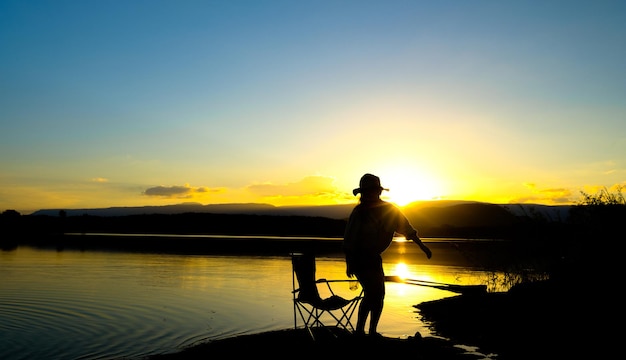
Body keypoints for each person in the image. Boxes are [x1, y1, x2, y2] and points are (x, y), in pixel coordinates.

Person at [343, 173, 432, 337]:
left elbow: (407, 229)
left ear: (378, 191)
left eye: (374, 190)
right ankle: (359, 331)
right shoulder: (359, 212)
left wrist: (423, 246)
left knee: (379, 295)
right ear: (363, 193)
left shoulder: (389, 210)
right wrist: (350, 262)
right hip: (359, 259)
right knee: (371, 293)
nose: (370, 194)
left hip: (374, 259)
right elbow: (350, 239)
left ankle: (371, 330)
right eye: (367, 191)